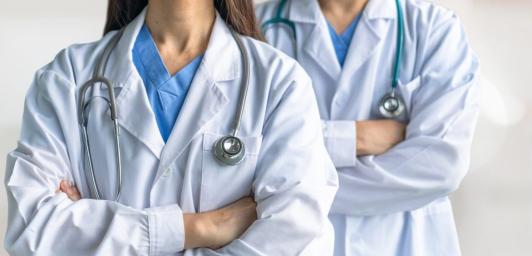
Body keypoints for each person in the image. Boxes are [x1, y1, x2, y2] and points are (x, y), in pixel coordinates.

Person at [4, 0, 338, 255]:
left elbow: (297, 236)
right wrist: (200, 228)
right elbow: (33, 232)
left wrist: (91, 231)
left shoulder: (279, 82)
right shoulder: (69, 77)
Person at [256, 0, 480, 254]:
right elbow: (242, 159)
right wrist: (354, 138)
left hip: (404, 243)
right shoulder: (256, 26)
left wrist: (285, 191)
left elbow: (441, 166)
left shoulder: (434, 29)